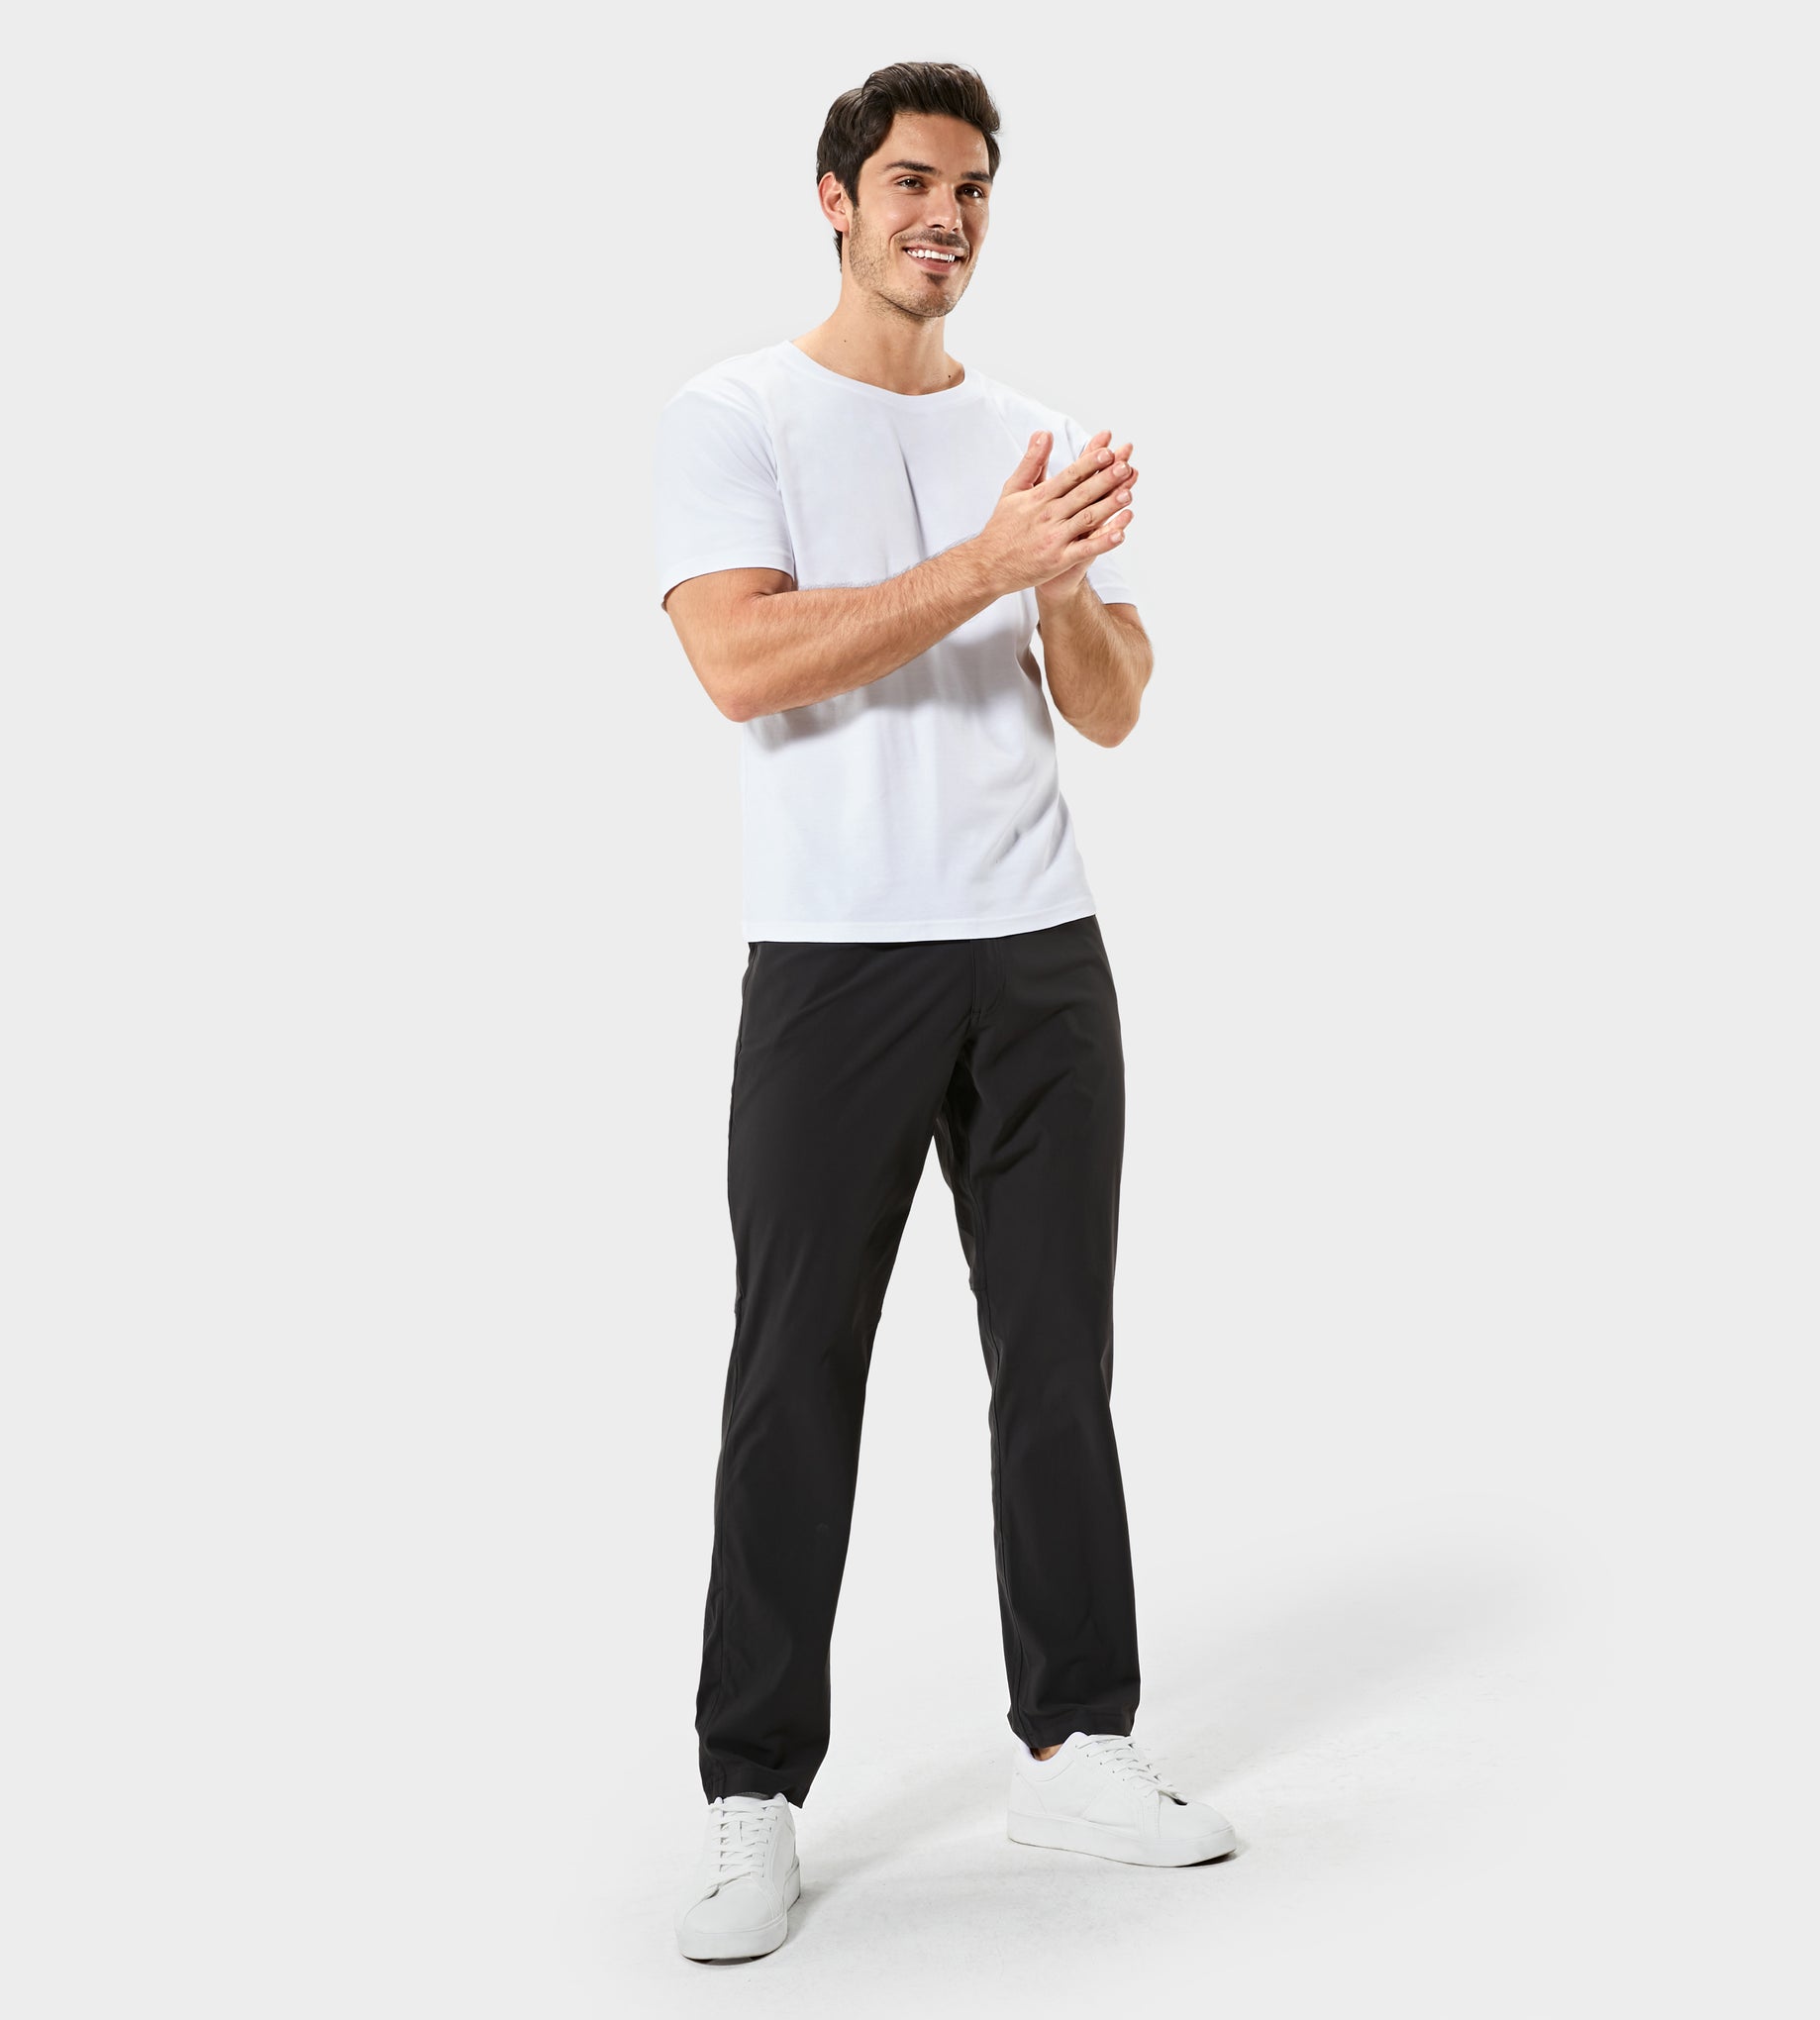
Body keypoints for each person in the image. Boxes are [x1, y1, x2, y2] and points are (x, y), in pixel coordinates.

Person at [652, 60, 1236, 1964]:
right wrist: (989, 560)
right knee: (794, 1368)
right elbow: (743, 662)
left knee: (1059, 1357)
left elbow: (1113, 703)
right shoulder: (734, 412)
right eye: (911, 182)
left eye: (973, 189)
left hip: (1040, 947)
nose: (946, 218)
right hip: (838, 956)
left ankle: (1079, 1744)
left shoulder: (1033, 430)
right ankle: (752, 1793)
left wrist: (1057, 584)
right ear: (835, 198)